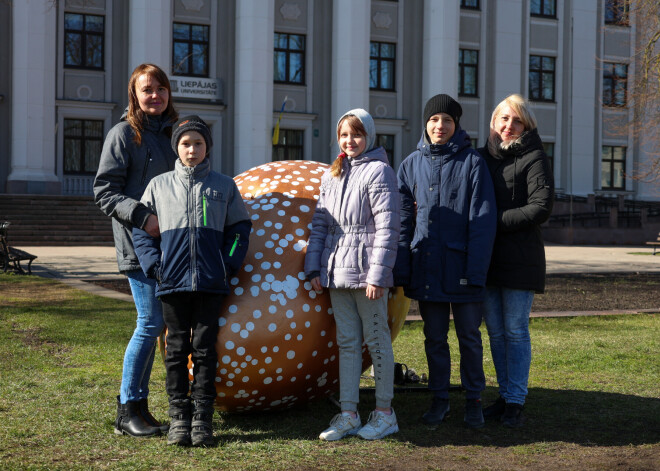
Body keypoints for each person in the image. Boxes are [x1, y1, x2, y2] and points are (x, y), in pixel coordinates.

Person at [132, 116, 252, 446]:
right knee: (175, 351)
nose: (192, 149)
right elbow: (141, 232)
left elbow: (240, 230)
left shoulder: (223, 186)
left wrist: (227, 263)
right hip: (171, 284)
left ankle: (202, 418)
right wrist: (156, 267)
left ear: (207, 147)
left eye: (198, 143)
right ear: (177, 148)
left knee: (204, 350)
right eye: (186, 143)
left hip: (211, 283)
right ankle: (178, 418)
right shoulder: (159, 186)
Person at [395, 94, 496, 429]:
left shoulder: (472, 163)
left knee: (469, 336)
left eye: (448, 121)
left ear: (457, 125)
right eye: (435, 119)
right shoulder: (410, 165)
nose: (440, 126)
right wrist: (403, 268)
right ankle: (439, 400)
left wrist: (475, 271)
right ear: (426, 123)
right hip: (426, 268)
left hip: (463, 269)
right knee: (434, 337)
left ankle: (473, 400)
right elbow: (402, 223)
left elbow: (482, 220)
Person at [305, 108, 400, 441]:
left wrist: (378, 275)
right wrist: (313, 267)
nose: (350, 141)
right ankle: (348, 414)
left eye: (356, 134)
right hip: (336, 274)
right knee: (346, 344)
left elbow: (388, 227)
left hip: (366, 275)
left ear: (369, 136)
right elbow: (320, 225)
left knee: (376, 343)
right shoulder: (331, 175)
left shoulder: (379, 172)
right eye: (344, 135)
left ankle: (385, 414)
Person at [94, 63, 178, 438]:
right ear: (135, 95)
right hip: (137, 243)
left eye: (161, 89)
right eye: (148, 90)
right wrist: (144, 217)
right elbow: (104, 191)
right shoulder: (124, 134)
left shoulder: (175, 134)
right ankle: (128, 409)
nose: (155, 95)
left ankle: (139, 410)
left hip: (171, 247)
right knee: (151, 323)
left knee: (157, 324)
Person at [477, 94, 554, 428]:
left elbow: (541, 207)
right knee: (495, 332)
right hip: (488, 260)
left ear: (527, 125)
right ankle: (505, 394)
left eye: (517, 120)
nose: (509, 126)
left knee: (515, 330)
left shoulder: (535, 156)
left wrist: (492, 221)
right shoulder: (483, 157)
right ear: (494, 122)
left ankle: (516, 401)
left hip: (521, 259)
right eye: (504, 119)